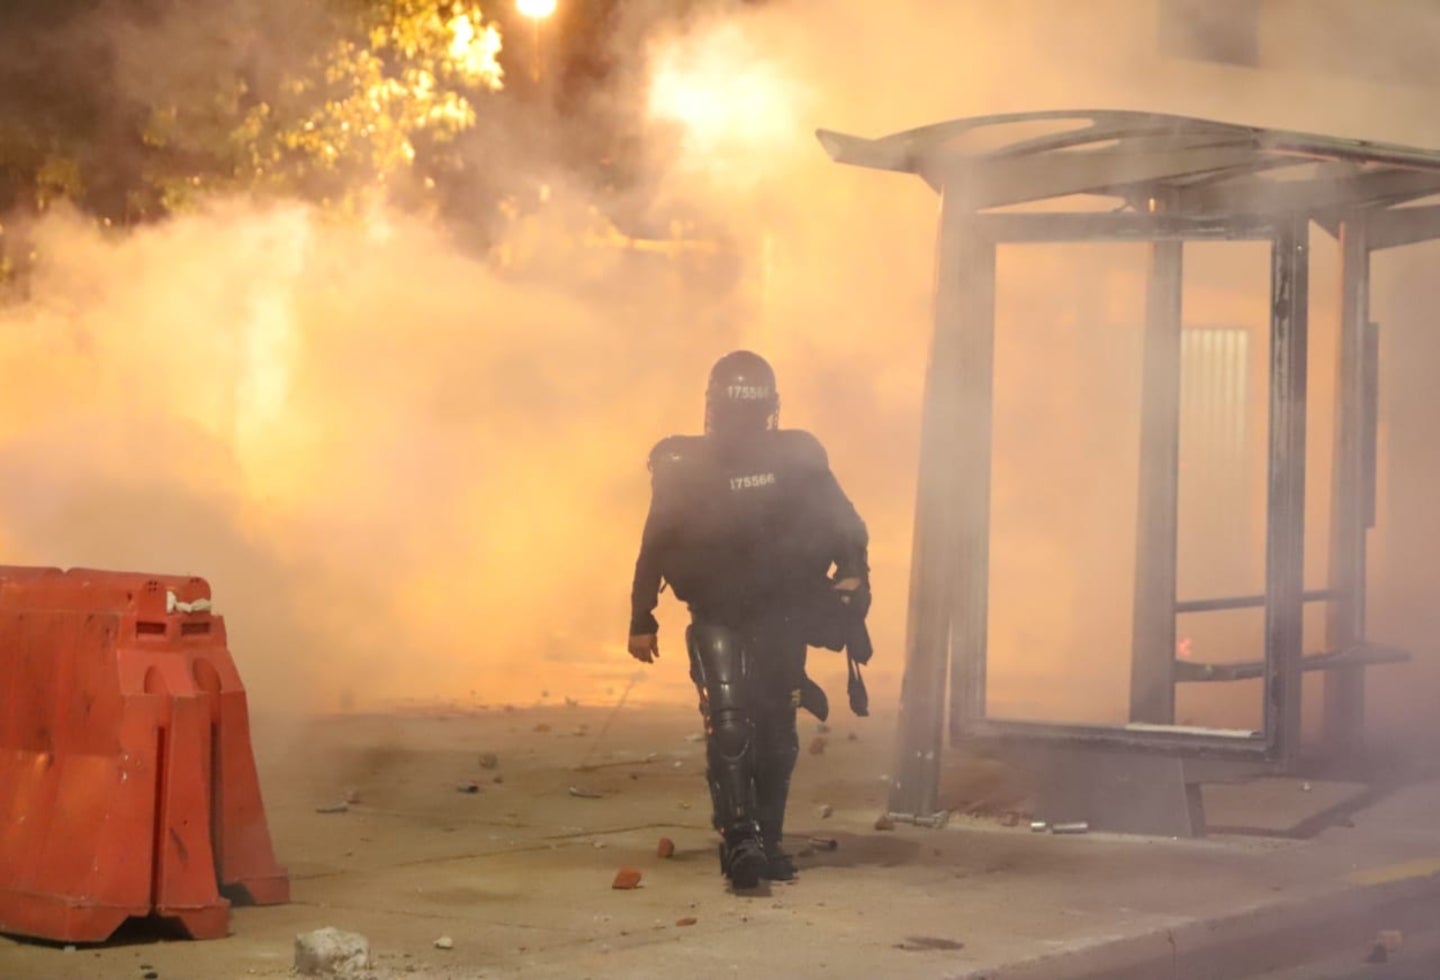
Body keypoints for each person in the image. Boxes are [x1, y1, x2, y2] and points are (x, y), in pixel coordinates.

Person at [627, 350, 870, 889]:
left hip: (781, 611)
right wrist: (641, 615)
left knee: (777, 729)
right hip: (718, 613)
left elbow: (845, 525)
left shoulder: (797, 457)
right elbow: (656, 539)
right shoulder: (683, 464)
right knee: (731, 722)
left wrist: (854, 581)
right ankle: (741, 839)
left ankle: (769, 839)